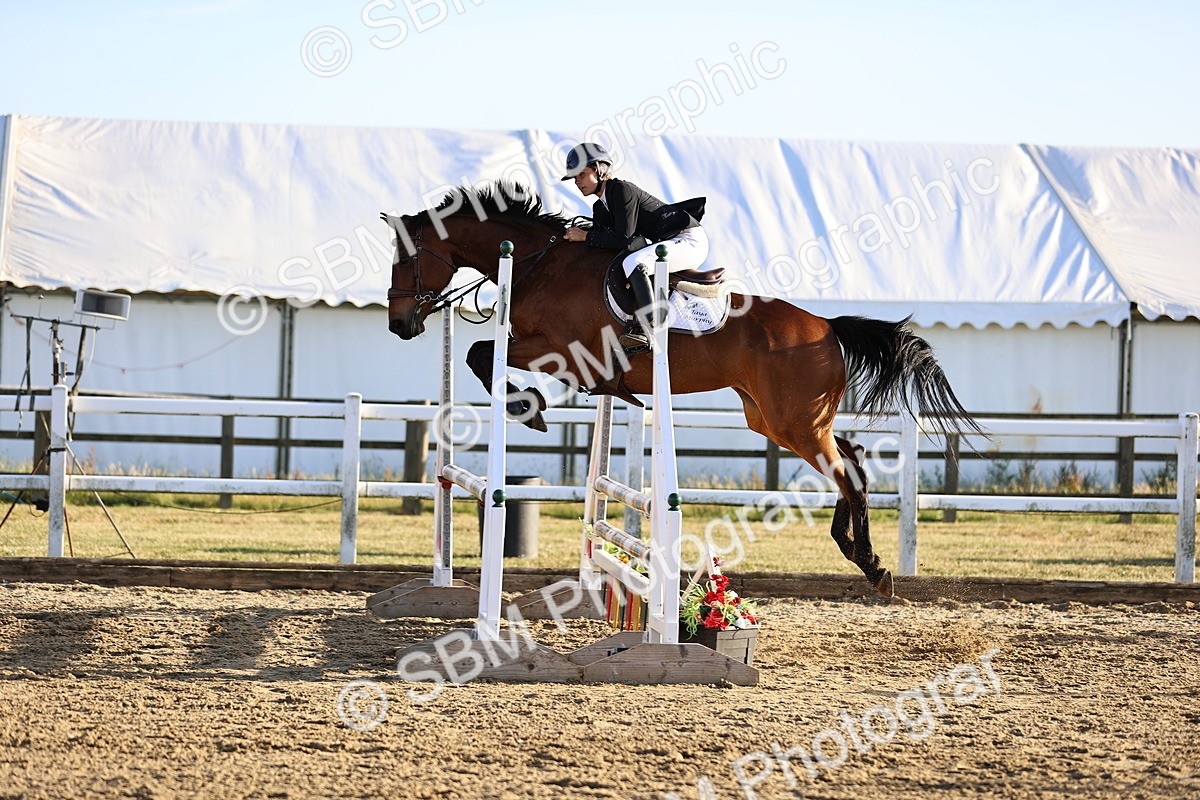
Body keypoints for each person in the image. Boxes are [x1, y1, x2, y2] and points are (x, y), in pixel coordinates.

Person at [561, 142, 708, 354]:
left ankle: (647, 327)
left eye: (581, 175)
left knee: (635, 262)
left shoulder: (621, 189)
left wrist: (584, 236)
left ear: (598, 170)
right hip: (665, 244)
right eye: (574, 178)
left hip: (689, 239)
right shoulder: (599, 207)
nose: (577, 182)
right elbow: (605, 244)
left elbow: (622, 238)